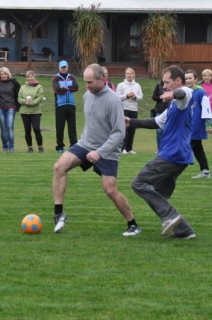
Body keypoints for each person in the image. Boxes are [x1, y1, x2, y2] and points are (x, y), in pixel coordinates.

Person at [52, 63, 141, 236]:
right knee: (59, 167)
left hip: (107, 150)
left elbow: (119, 133)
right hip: (85, 145)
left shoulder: (113, 100)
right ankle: (59, 214)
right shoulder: (87, 96)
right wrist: (87, 147)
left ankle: (133, 224)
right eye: (85, 82)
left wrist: (100, 152)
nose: (87, 86)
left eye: (90, 82)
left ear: (102, 79)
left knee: (110, 190)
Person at [126, 65, 196, 240]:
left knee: (139, 183)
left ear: (178, 81)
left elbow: (183, 93)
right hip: (179, 156)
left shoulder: (183, 96)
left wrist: (173, 94)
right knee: (158, 192)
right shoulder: (173, 106)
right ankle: (184, 230)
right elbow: (156, 122)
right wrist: (131, 122)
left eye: (167, 83)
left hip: (172, 155)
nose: (164, 87)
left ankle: (171, 217)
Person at [185, 69, 212, 179]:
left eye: (190, 78)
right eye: (186, 78)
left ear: (196, 79)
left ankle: (172, 171)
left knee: (186, 147)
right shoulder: (186, 92)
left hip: (196, 125)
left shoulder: (200, 92)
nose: (188, 80)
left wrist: (208, 124)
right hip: (188, 125)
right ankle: (205, 171)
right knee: (198, 149)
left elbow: (207, 108)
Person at [52, 60, 79, 153]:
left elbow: (76, 87)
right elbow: (57, 90)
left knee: (72, 127)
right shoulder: (56, 78)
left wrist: (66, 87)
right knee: (60, 127)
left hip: (71, 105)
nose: (63, 69)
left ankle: (74, 145)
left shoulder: (72, 77)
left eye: (65, 67)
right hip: (60, 105)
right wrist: (67, 88)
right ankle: (60, 147)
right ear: (59, 68)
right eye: (62, 67)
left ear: (67, 67)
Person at [0, 67, 21, 153]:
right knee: (3, 128)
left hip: (11, 107)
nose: (3, 75)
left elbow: (19, 94)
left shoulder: (14, 83)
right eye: (2, 74)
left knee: (9, 127)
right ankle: (5, 147)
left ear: (8, 74)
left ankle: (11, 147)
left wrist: (17, 106)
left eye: (5, 74)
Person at [116, 67, 143, 154]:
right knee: (124, 129)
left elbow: (140, 97)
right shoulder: (121, 85)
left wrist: (135, 97)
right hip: (124, 109)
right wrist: (127, 95)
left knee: (132, 129)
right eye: (127, 73)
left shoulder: (137, 85)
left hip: (134, 109)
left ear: (133, 75)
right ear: (125, 74)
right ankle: (122, 148)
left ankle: (129, 148)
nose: (129, 75)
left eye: (131, 73)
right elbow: (117, 97)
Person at [18, 70, 44, 153]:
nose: (29, 78)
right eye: (28, 77)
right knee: (27, 130)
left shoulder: (39, 87)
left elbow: (40, 98)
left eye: (31, 76)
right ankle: (30, 147)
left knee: (36, 129)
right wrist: (24, 102)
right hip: (24, 111)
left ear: (34, 77)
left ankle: (40, 147)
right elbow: (19, 98)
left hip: (35, 111)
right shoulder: (22, 87)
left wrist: (31, 103)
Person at [151, 80, 169, 151]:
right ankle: (159, 148)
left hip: (169, 110)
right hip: (160, 110)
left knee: (168, 130)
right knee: (159, 130)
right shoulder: (159, 85)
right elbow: (154, 97)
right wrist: (160, 97)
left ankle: (167, 147)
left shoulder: (172, 85)